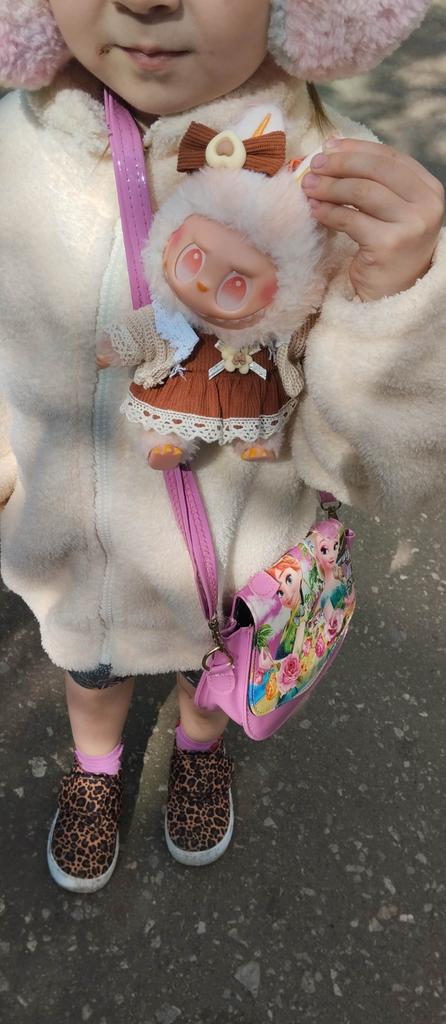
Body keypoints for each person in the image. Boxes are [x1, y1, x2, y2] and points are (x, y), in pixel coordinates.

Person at [0, 0, 444, 891]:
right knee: (89, 665)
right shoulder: (14, 150)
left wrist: (398, 304)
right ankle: (96, 768)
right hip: (74, 548)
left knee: (214, 675)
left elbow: (375, 465)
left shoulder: (336, 185)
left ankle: (202, 748)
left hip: (245, 555)